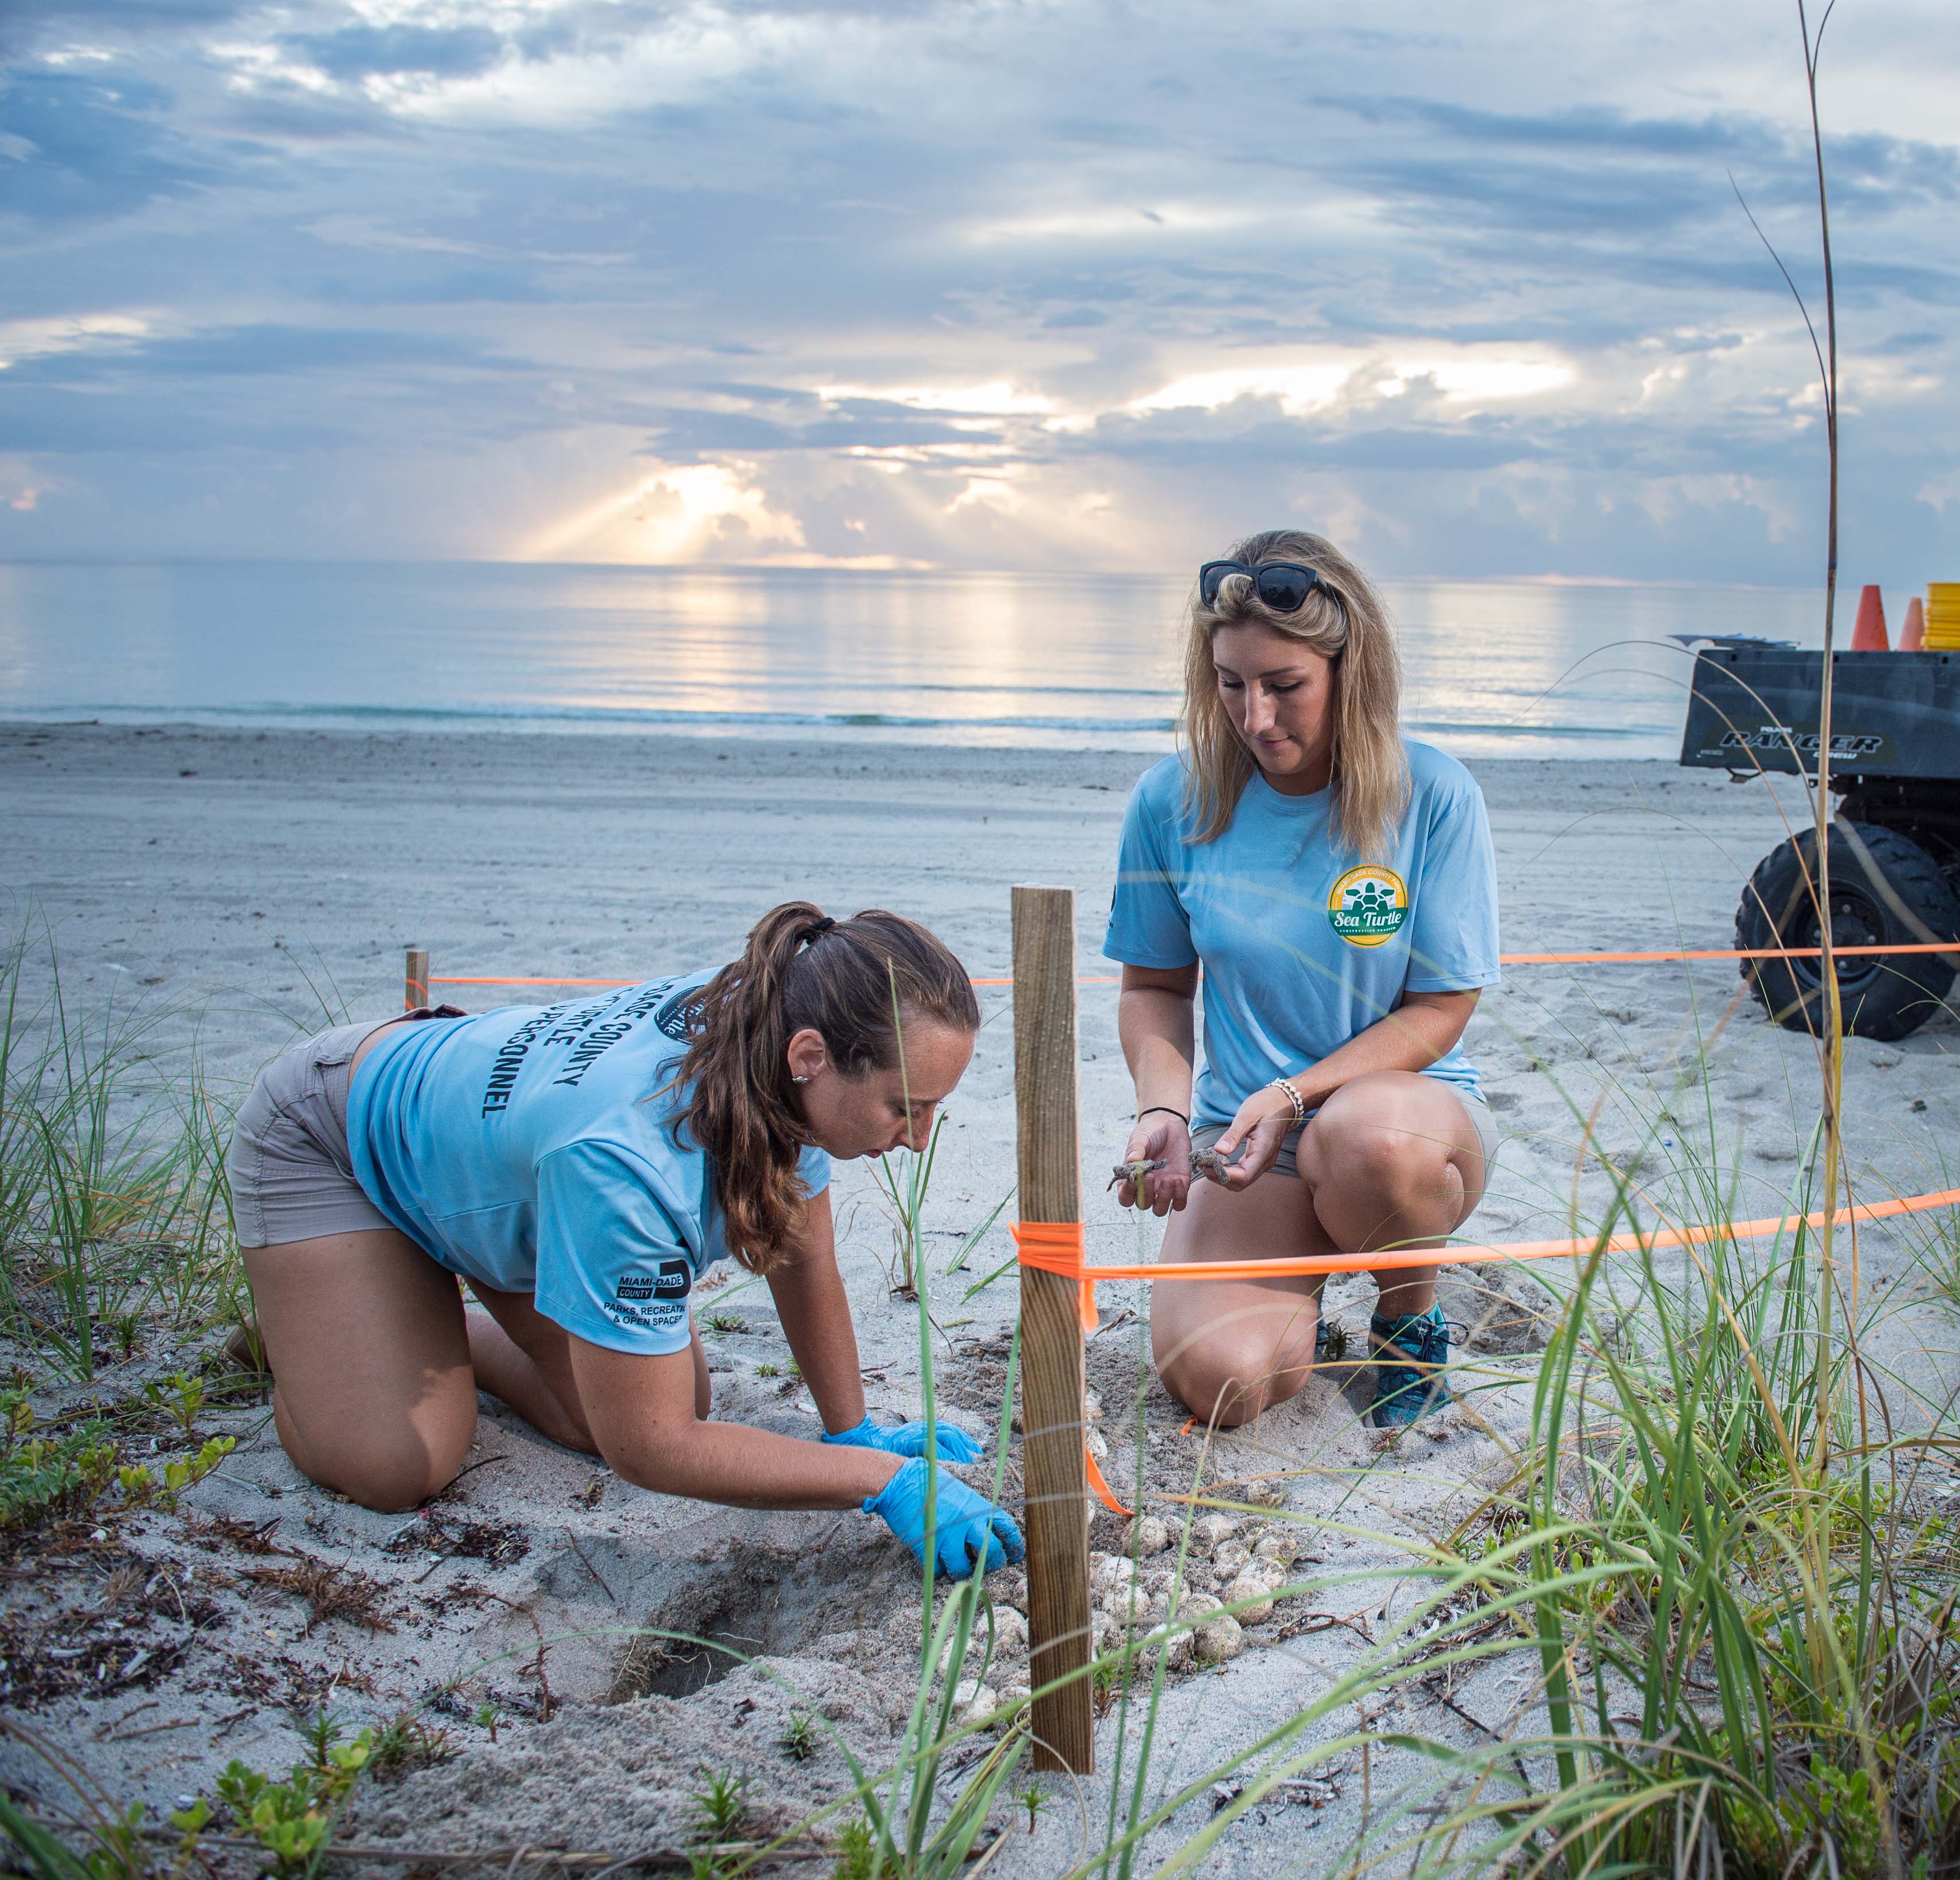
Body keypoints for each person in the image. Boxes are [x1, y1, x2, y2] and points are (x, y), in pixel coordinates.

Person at [228, 902, 1022, 1579]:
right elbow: (652, 1450)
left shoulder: (782, 1042)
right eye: (903, 1109)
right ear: (811, 1058)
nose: (918, 1140)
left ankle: (397, 1325)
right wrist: (881, 1480)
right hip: (333, 1143)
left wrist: (852, 1429)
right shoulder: (627, 1162)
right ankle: (317, 1340)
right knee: (400, 1466)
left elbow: (803, 1251)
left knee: (639, 1408)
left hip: (493, 1180)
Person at [1107, 530, 1501, 1429]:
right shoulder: (1170, 801)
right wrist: (1163, 1110)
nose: (1256, 718)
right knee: (1222, 1384)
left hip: (1405, 1123)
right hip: (1246, 1149)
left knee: (1367, 1141)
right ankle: (1296, 1295)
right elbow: (1154, 989)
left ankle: (1407, 1320)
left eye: (1285, 686)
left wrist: (1297, 1092)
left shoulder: (1432, 795)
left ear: (1346, 672)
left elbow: (1442, 1007)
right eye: (1230, 683)